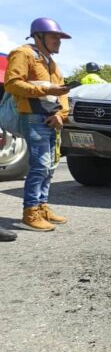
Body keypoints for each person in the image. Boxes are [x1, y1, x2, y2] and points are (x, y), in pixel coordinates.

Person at [4, 18, 71, 231]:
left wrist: (61, 114)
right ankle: (30, 212)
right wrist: (46, 90)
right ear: (38, 36)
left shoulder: (51, 62)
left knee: (50, 166)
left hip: (51, 119)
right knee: (40, 165)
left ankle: (42, 207)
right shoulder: (23, 53)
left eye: (59, 37)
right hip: (32, 116)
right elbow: (13, 84)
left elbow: (62, 93)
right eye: (54, 37)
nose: (58, 41)